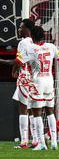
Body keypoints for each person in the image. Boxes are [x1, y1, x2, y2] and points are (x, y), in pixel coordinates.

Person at [9, 26, 59, 150]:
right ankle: (54, 143)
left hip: (37, 82)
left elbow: (17, 62)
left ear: (33, 36)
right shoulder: (51, 47)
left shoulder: (30, 48)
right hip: (49, 81)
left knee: (37, 114)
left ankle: (41, 144)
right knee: (50, 112)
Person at [0, 19, 35, 148]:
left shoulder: (23, 42)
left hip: (25, 77)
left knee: (23, 109)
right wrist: (15, 70)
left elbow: (17, 61)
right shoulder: (35, 42)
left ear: (27, 29)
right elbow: (21, 59)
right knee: (33, 109)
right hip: (35, 78)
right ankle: (36, 140)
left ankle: (24, 141)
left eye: (21, 27)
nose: (19, 30)